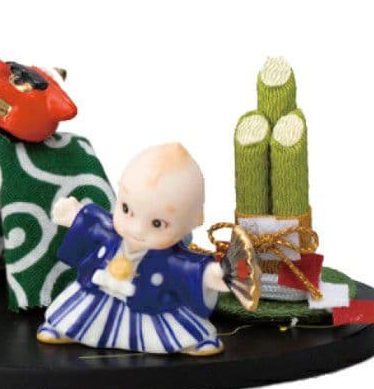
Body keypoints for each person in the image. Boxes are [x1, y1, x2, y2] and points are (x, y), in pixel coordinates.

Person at [37, 143, 231, 356]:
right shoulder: (111, 232)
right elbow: (93, 225)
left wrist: (209, 275)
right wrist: (76, 215)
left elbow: (189, 268)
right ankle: (65, 328)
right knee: (77, 312)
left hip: (148, 303)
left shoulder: (171, 259)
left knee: (171, 329)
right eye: (126, 209)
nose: (136, 229)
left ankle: (191, 341)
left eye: (157, 224)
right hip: (98, 293)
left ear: (195, 220)